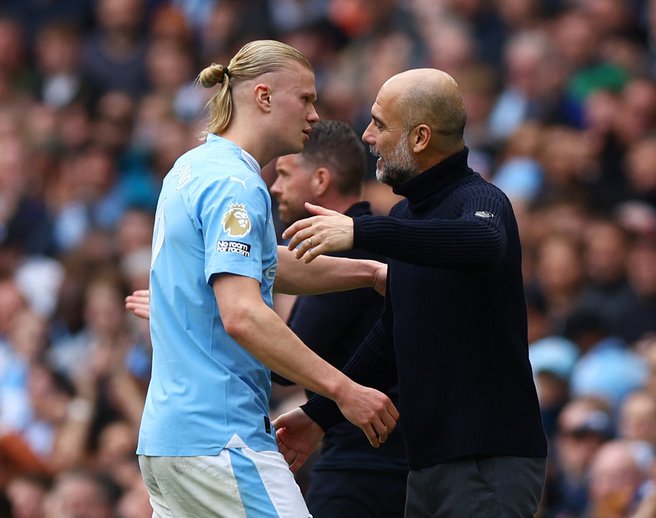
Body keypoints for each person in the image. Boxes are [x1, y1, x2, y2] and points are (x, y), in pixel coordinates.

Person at [136, 40, 398, 518]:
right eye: (306, 98)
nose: (315, 114)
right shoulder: (235, 185)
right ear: (263, 97)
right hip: (221, 438)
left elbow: (270, 262)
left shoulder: (191, 167)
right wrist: (345, 390)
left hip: (167, 442)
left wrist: (369, 272)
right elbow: (241, 315)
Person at [274, 68, 548, 517]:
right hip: (426, 466)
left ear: (420, 138)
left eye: (380, 124)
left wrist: (363, 231)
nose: (367, 135)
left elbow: (482, 243)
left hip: (487, 461)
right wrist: (319, 416)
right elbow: (389, 336)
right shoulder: (405, 217)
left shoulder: (480, 200)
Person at [270, 119, 408, 517]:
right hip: (383, 458)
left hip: (364, 466)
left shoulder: (349, 253)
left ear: (320, 180)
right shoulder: (376, 243)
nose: (275, 187)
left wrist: (218, 308)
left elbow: (286, 363)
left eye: (283, 173)